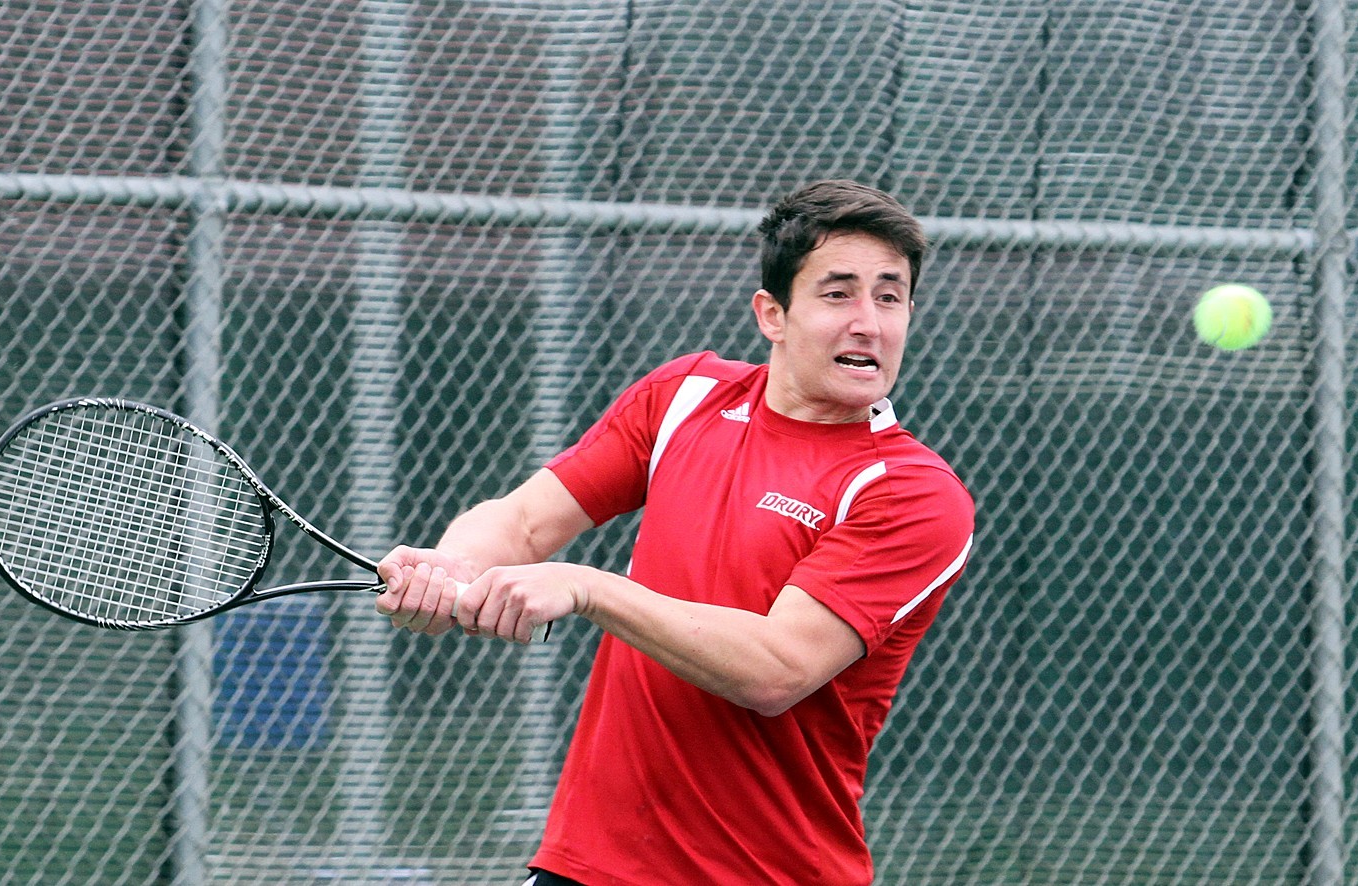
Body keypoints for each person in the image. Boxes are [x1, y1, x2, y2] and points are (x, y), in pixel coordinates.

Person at [376, 179, 975, 885]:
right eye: (838, 293)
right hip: (585, 865)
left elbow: (776, 669)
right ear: (772, 314)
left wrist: (587, 588)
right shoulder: (685, 396)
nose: (868, 322)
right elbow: (524, 520)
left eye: (889, 295)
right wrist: (451, 569)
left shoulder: (910, 494)